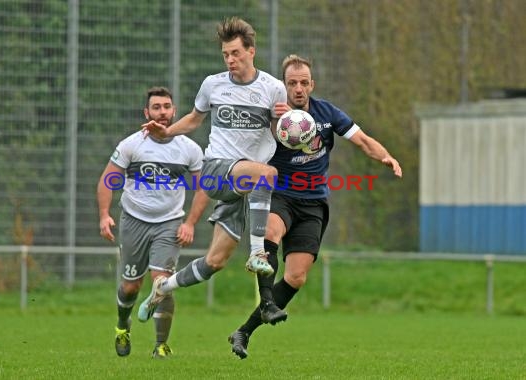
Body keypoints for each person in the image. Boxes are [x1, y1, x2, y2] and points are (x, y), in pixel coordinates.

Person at [228, 54, 403, 359]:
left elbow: (362, 140)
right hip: (280, 194)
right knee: (270, 230)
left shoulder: (327, 113)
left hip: (313, 203)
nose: (298, 88)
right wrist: (270, 122)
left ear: (312, 84)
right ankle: (267, 301)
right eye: (292, 82)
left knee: (296, 277)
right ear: (284, 85)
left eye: (303, 82)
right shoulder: (273, 115)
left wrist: (386, 156)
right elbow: (242, 142)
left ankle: (244, 331)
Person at [136, 17, 288, 322]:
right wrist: (165, 133)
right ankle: (258, 254)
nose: (230, 60)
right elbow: (194, 119)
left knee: (214, 261)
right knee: (268, 175)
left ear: (251, 51)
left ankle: (163, 287)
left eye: (235, 53)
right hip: (217, 169)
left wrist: (286, 120)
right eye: (225, 54)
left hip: (244, 182)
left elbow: (278, 132)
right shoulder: (213, 84)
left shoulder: (274, 88)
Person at [97, 86, 209, 358]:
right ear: (146, 112)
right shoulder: (131, 144)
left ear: (174, 111)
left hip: (169, 223)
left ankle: (160, 345)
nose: (162, 112)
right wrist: (104, 215)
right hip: (133, 221)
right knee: (130, 286)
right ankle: (123, 325)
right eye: (156, 107)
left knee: (163, 284)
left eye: (167, 106)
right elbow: (106, 180)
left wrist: (190, 223)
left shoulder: (189, 149)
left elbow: (203, 187)